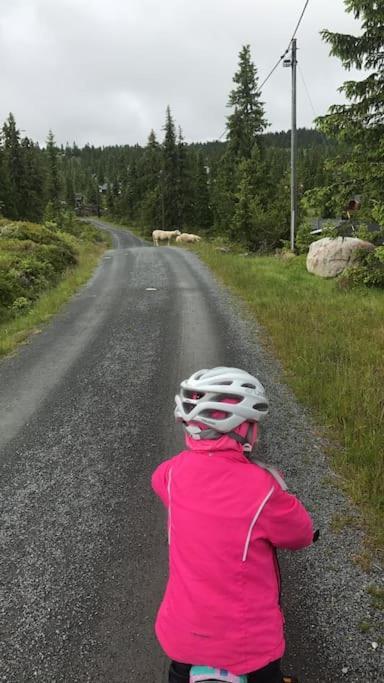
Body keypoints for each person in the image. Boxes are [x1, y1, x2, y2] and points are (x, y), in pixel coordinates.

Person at [152, 367, 316, 683]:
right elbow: (300, 534)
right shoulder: (263, 488)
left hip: (183, 640)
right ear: (240, 430)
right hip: (249, 650)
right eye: (254, 425)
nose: (256, 432)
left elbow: (157, 481)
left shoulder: (171, 474)